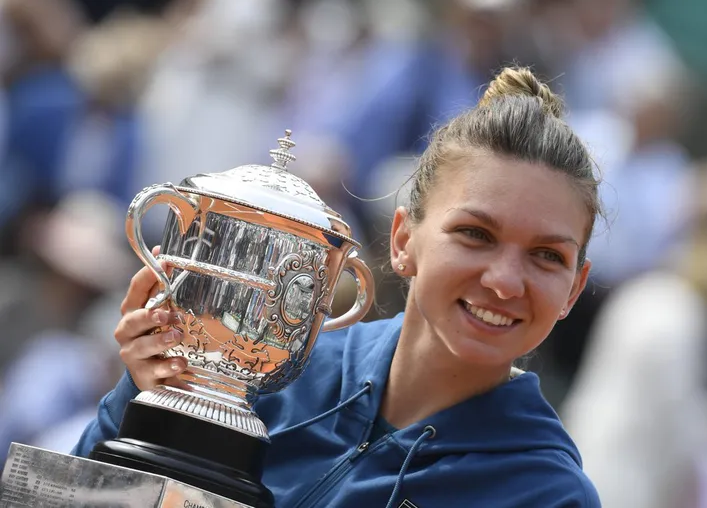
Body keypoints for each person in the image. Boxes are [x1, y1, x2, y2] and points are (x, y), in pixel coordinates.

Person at [72, 66, 603, 508]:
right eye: (475, 234)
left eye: (546, 256)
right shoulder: (268, 372)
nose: (505, 281)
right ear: (402, 240)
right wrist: (146, 403)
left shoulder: (546, 494)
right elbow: (78, 496)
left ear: (574, 290)